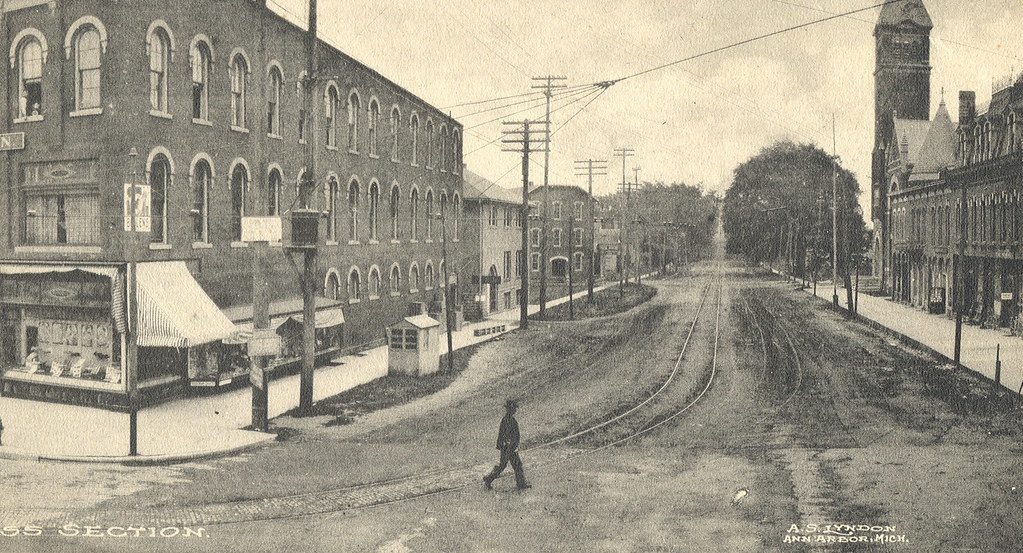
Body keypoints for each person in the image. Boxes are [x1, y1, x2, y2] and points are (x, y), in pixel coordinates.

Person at [483, 399, 530, 490]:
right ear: (510, 409)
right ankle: (489, 479)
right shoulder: (507, 420)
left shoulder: (509, 419)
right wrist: (509, 446)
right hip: (508, 447)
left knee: (513, 465)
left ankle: (521, 484)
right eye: (513, 408)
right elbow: (505, 435)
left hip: (510, 447)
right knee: (508, 465)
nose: (515, 410)